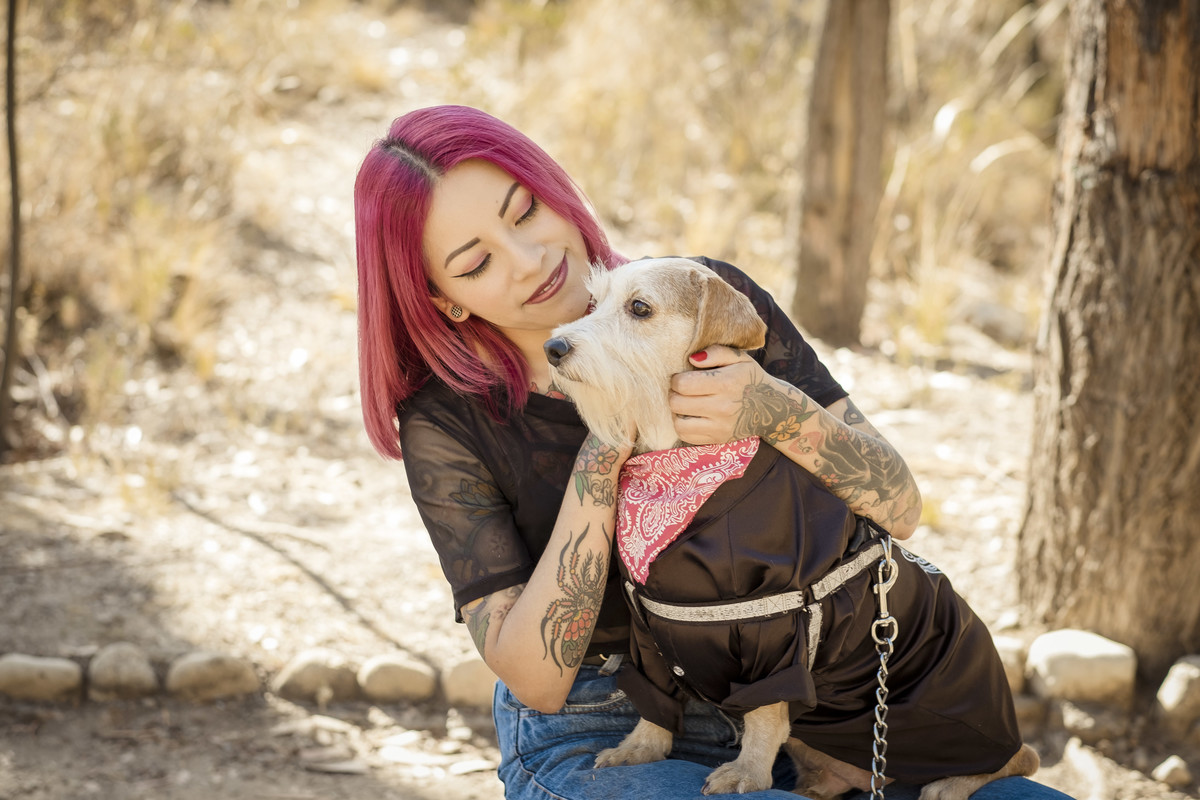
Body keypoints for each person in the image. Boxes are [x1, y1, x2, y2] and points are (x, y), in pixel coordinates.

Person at [354, 104, 1074, 800]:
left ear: (554, 191)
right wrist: (604, 455)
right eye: (476, 262)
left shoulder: (696, 297)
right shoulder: (449, 421)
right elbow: (538, 679)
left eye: (525, 212)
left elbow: (900, 506)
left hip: (824, 705)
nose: (530, 258)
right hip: (600, 720)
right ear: (444, 299)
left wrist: (775, 408)